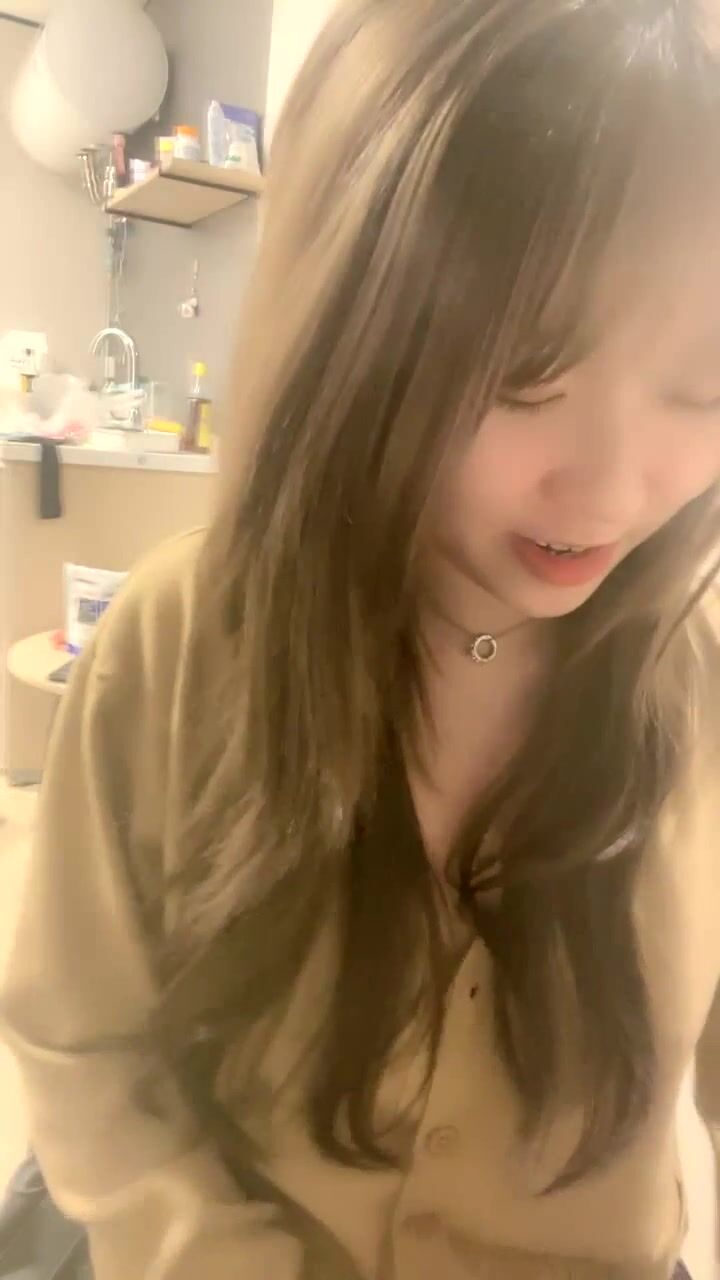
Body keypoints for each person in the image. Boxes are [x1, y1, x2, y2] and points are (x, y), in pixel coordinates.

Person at [2, 0, 720, 1277]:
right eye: (528, 376)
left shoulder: (697, 679)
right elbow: (85, 1043)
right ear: (361, 330)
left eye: (701, 386)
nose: (614, 487)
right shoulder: (183, 637)